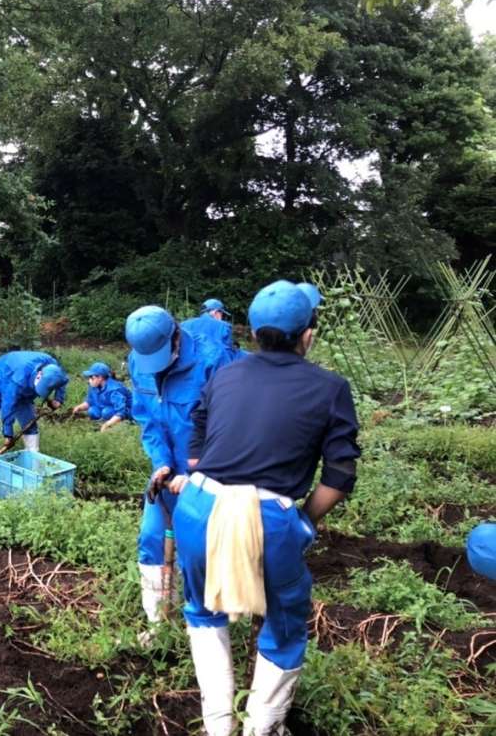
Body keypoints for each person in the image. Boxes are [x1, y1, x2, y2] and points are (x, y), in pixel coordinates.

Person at [168, 280, 360, 736]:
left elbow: (197, 433)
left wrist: (204, 466)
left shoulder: (225, 374)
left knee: (202, 613)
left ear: (253, 333)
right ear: (307, 334)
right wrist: (303, 522)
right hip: (267, 517)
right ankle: (263, 728)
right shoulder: (330, 387)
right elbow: (340, 474)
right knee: (284, 624)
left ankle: (219, 727)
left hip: (196, 507)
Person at [126, 306, 229, 627]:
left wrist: (197, 474)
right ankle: (160, 625)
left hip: (211, 473)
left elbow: (229, 428)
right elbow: (147, 420)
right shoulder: (138, 362)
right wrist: (161, 463)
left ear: (176, 337)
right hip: (168, 473)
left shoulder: (214, 362)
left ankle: (200, 624)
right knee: (151, 538)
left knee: (196, 549)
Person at [0, 351, 69, 457]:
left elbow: (63, 380)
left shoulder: (53, 368)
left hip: (24, 386)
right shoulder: (19, 378)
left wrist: (58, 399)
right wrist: (8, 434)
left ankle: (33, 456)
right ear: (39, 375)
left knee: (28, 423)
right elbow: (8, 405)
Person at [181, 298, 247, 364]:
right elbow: (229, 352)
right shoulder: (222, 326)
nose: (222, 318)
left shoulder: (183, 325)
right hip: (215, 369)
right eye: (222, 315)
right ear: (216, 312)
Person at [71, 361, 131, 432]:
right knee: (92, 411)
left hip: (124, 410)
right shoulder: (94, 386)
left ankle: (118, 422)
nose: (89, 380)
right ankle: (104, 421)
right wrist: (78, 408)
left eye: (91, 377)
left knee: (106, 412)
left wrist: (107, 424)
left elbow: (121, 411)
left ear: (100, 378)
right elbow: (89, 402)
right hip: (106, 407)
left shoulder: (114, 390)